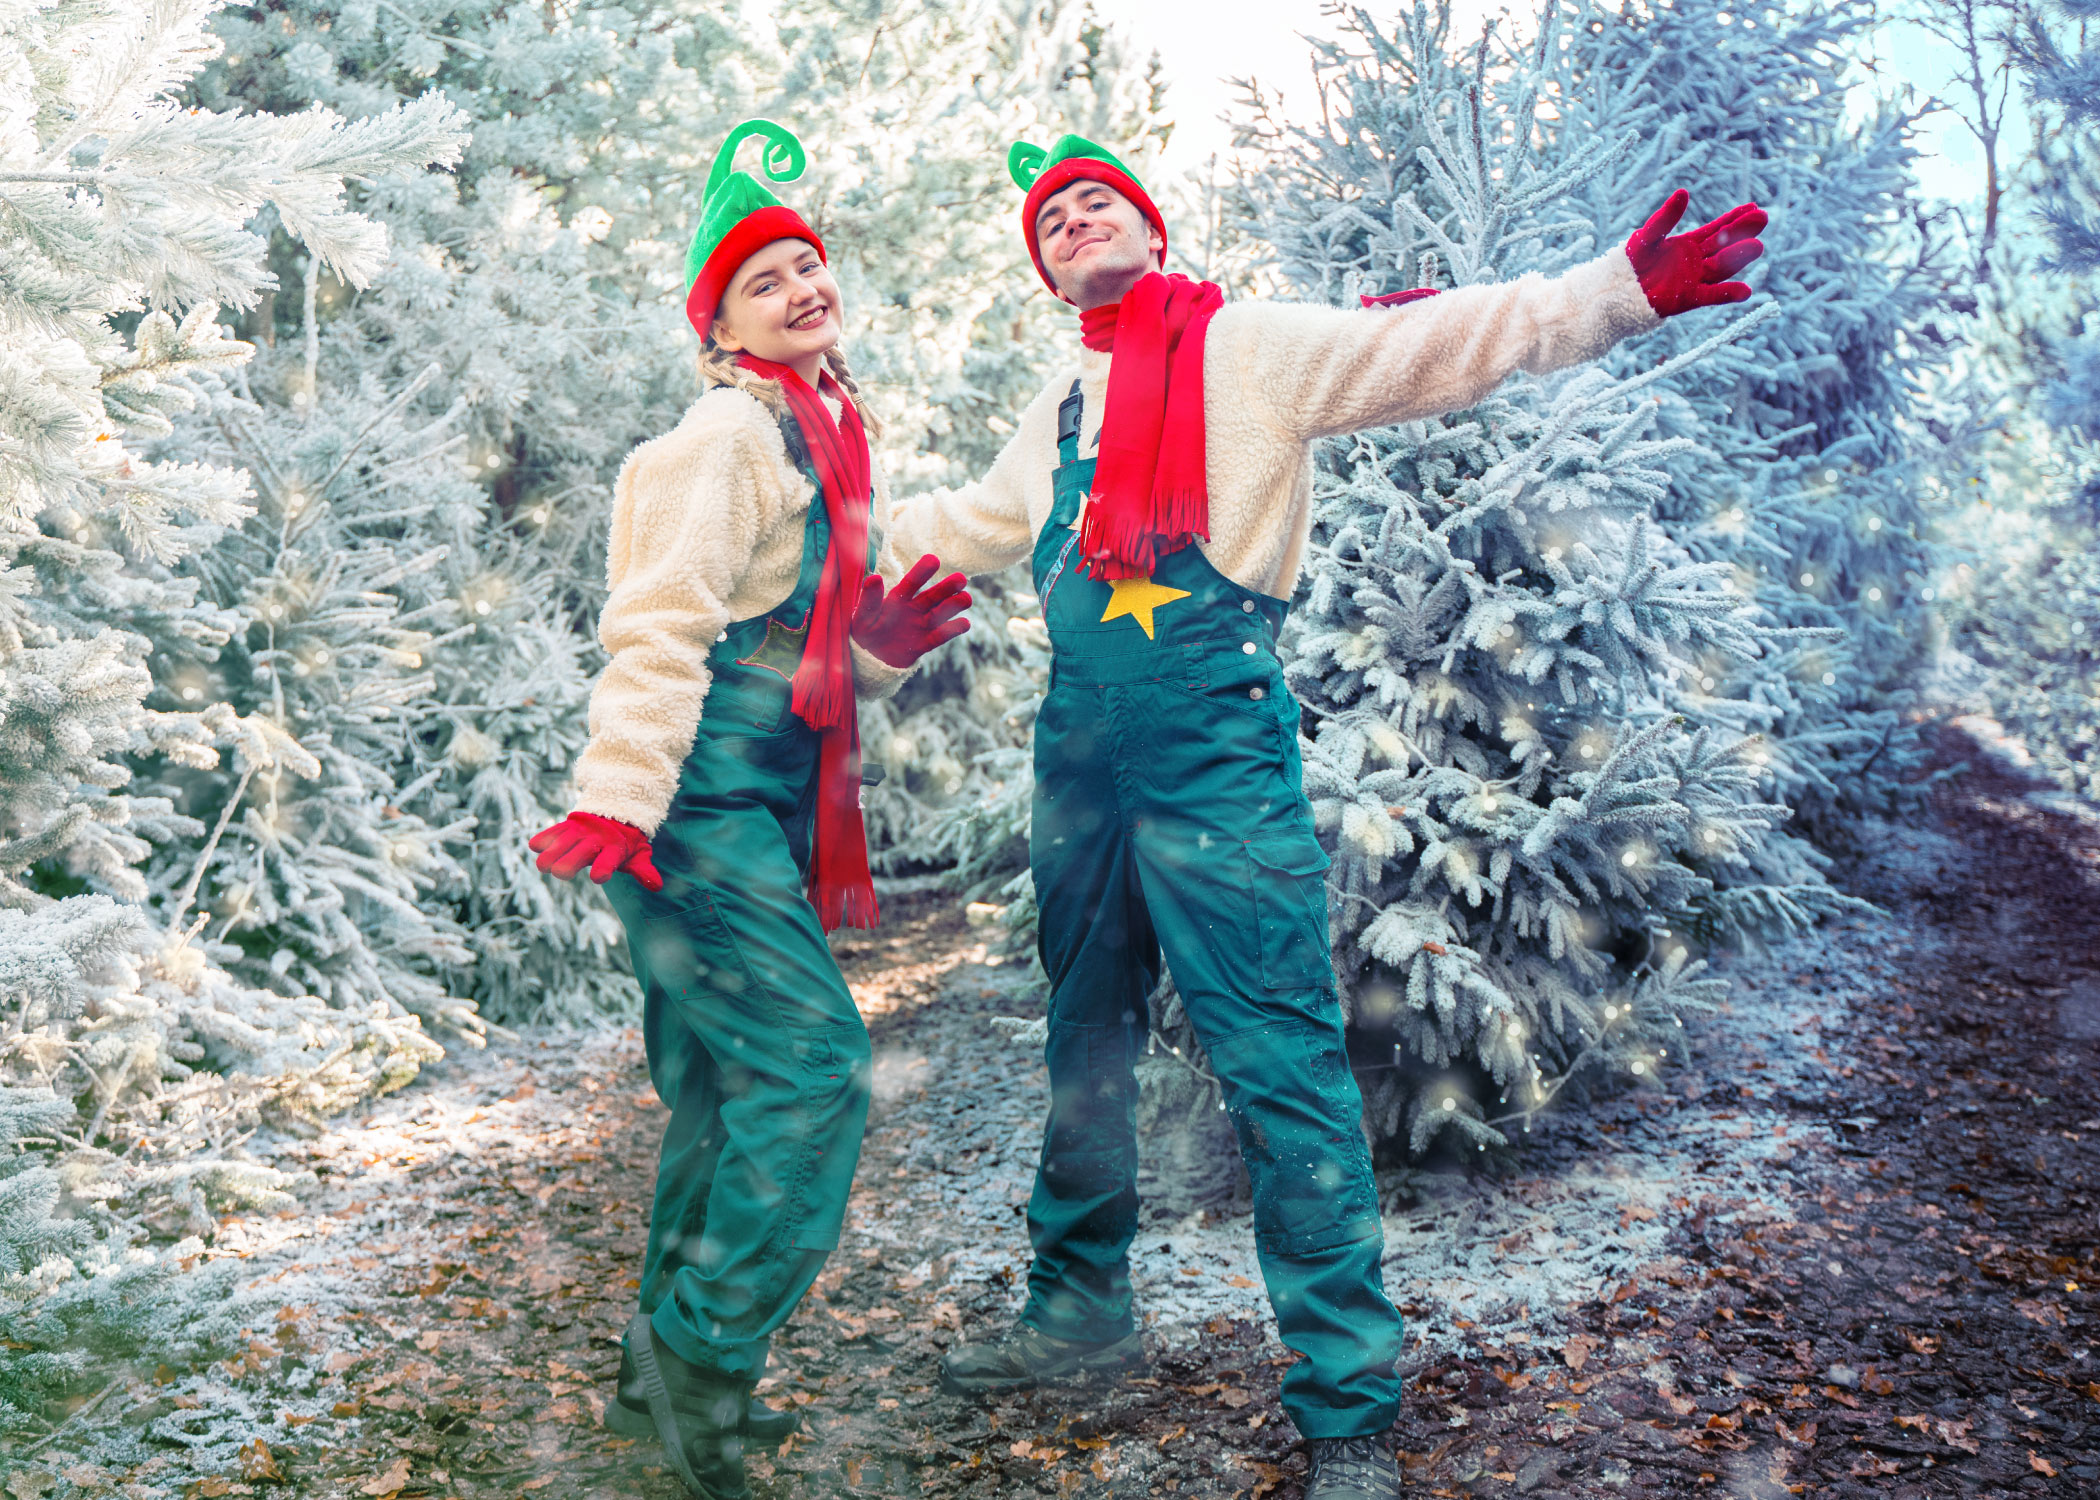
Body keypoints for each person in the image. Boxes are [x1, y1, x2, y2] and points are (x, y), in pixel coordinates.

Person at [887, 133, 1766, 1500]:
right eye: (1047, 215)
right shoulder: (1062, 397)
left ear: (1152, 229)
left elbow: (1448, 344)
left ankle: (1346, 1404)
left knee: (1278, 1054)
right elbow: (969, 521)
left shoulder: (1248, 348)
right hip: (1076, 753)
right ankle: (1077, 1315)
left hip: (1213, 745)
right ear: (1043, 268)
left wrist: (1615, 292)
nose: (1069, 216)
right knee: (1085, 1036)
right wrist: (837, 562)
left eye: (1094, 197)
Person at [527, 119, 970, 1500]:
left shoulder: (820, 433)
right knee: (814, 1072)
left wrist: (871, 640)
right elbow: (660, 626)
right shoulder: (724, 432)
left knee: (723, 1088)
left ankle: (649, 1385)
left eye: (808, 264)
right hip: (694, 798)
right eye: (763, 277)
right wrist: (622, 797)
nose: (799, 285)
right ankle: (701, 1358)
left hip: (755, 791)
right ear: (718, 326)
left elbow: (784, 649)